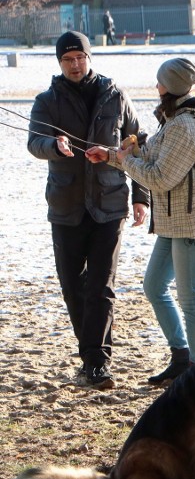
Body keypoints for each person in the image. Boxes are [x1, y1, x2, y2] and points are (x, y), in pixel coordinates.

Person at [86, 58, 195, 384]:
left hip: (191, 224)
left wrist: (126, 160)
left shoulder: (185, 126)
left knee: (191, 299)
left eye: (159, 82)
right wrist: (112, 155)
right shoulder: (173, 121)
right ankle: (182, 356)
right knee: (154, 286)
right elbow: (148, 158)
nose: (156, 87)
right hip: (173, 223)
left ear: (170, 86)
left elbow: (159, 178)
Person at [28, 31, 147, 389]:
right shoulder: (47, 101)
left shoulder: (116, 96)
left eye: (80, 57)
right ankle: (90, 352)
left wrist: (142, 196)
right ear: (59, 63)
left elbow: (137, 144)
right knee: (71, 287)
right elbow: (34, 141)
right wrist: (55, 145)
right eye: (67, 60)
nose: (75, 64)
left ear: (90, 58)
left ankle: (96, 362)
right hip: (65, 207)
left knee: (100, 286)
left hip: (110, 204)